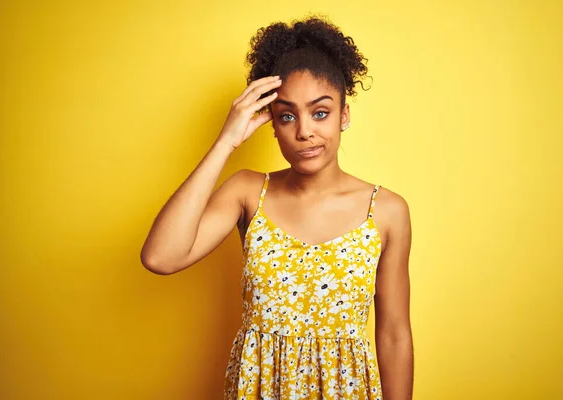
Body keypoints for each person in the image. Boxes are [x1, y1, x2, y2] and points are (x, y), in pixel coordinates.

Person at [140, 15, 413, 400]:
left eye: (321, 112)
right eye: (287, 116)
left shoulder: (386, 211)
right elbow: (160, 257)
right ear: (270, 122)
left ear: (344, 115)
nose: (304, 131)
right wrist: (225, 143)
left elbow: (394, 334)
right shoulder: (249, 192)